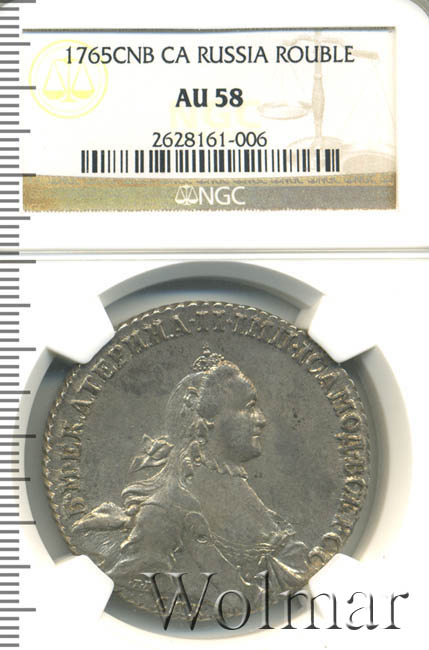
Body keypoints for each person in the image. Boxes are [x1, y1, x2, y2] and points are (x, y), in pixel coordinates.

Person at [72, 347, 309, 614]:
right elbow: (137, 589)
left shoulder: (243, 496)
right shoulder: (165, 510)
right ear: (206, 422)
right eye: (248, 407)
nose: (261, 419)